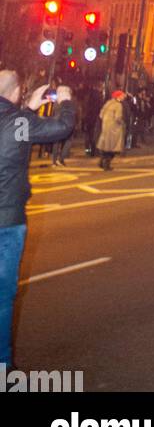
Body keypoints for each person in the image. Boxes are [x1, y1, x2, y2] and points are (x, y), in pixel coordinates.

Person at [0, 72, 77, 369]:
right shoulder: (17, 123)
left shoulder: (18, 119)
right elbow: (61, 127)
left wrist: (28, 109)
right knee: (2, 299)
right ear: (18, 91)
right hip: (6, 221)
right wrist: (67, 102)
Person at [97, 90, 127, 170]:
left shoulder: (108, 103)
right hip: (114, 128)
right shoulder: (118, 105)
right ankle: (106, 164)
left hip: (105, 126)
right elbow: (118, 118)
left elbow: (101, 114)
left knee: (106, 145)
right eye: (122, 96)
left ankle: (101, 161)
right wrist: (123, 123)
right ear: (118, 96)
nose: (123, 97)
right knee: (114, 147)